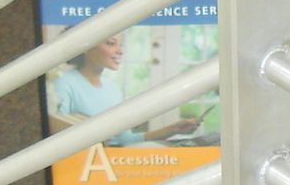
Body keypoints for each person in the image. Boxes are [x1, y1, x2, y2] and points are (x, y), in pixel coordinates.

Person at [47, 35, 199, 144]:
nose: (120, 51)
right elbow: (58, 135)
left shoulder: (112, 88)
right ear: (86, 47)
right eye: (111, 43)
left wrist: (173, 129)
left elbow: (124, 139)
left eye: (121, 45)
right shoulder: (64, 83)